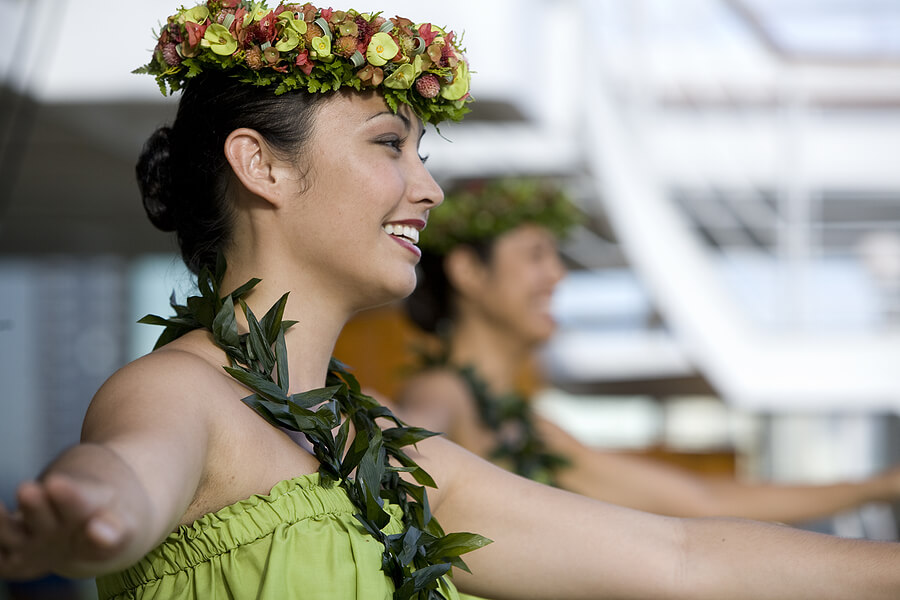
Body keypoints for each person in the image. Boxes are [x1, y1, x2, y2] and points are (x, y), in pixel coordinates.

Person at [2, 3, 900, 599]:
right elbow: (126, 474)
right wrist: (92, 512)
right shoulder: (180, 394)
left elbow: (680, 554)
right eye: (391, 142)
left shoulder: (376, 443)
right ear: (262, 164)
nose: (426, 187)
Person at [399, 176, 900, 523]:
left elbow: (696, 501)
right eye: (535, 255)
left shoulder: (533, 431)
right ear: (467, 270)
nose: (558, 274)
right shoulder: (445, 393)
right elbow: (406, 437)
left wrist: (876, 487)